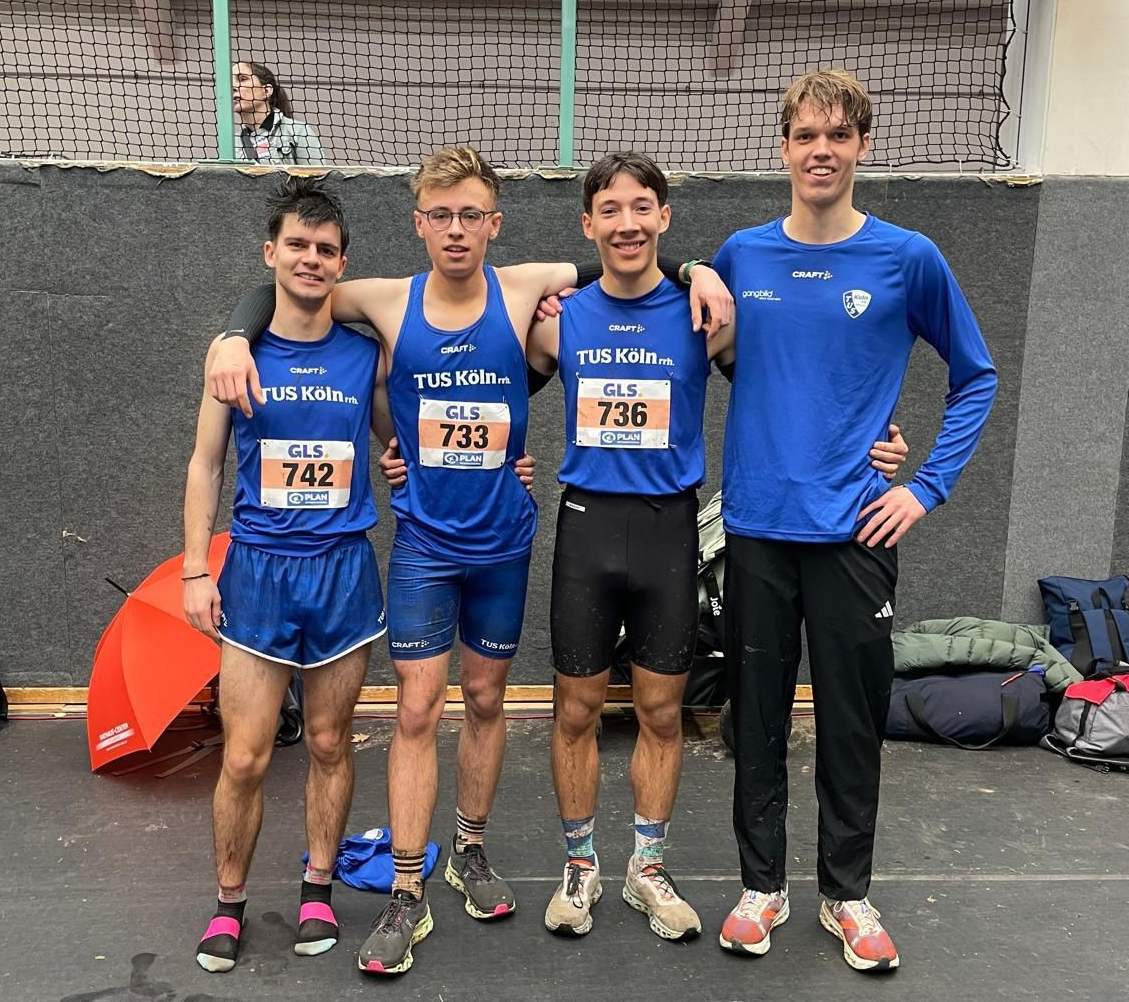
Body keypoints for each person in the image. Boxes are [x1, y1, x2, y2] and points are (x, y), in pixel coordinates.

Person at [205, 146, 733, 975]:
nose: (456, 229)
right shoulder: (384, 298)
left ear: (494, 223)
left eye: (471, 215)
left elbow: (624, 250)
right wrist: (234, 334)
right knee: (417, 709)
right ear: (419, 224)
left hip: (504, 542)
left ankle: (470, 852)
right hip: (423, 544)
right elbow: (293, 289)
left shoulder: (523, 289)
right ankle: (405, 890)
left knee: (486, 699)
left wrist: (694, 267)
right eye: (441, 215)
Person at [380, 152, 908, 943]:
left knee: (662, 711)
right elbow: (472, 390)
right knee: (574, 711)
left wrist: (873, 441)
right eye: (609, 210)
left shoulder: (704, 315)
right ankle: (580, 865)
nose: (625, 223)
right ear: (586, 224)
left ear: (663, 217)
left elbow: (789, 387)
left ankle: (646, 869)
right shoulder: (555, 320)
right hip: (586, 528)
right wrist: (404, 453)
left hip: (667, 529)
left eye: (640, 208)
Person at [712, 69, 998, 972]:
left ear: (863, 146)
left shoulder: (907, 257)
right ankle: (760, 888)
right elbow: (713, 356)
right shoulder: (739, 256)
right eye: (805, 135)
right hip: (757, 528)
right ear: (783, 148)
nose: (821, 151)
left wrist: (923, 486)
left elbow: (976, 376)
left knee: (848, 722)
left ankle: (845, 895)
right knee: (756, 720)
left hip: (856, 534)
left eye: (838, 135)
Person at [183, 176, 391, 972]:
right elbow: (205, 465)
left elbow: (399, 443)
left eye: (325, 249)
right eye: (297, 245)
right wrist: (195, 570)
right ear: (270, 253)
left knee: (331, 742)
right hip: (260, 574)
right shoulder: (233, 356)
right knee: (244, 756)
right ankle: (228, 902)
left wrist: (497, 466)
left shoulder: (365, 356)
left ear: (342, 263)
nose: (311, 258)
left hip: (342, 573)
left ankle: (317, 889)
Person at [233, 61, 324, 165]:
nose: (233, 86)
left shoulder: (298, 131)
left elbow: (317, 175)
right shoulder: (232, 145)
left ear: (266, 91)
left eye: (243, 79)